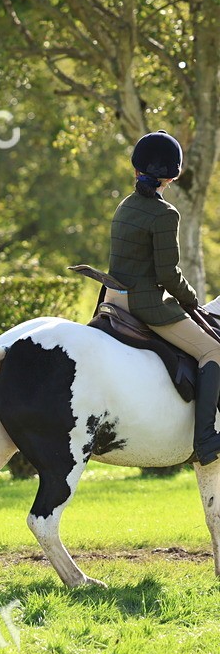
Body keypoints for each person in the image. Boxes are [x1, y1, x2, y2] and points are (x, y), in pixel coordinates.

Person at [106, 129, 220, 464]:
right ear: (171, 176)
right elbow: (168, 275)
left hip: (113, 299)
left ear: (136, 169)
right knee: (213, 351)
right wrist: (191, 299)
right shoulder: (165, 214)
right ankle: (206, 439)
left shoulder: (125, 206)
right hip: (145, 305)